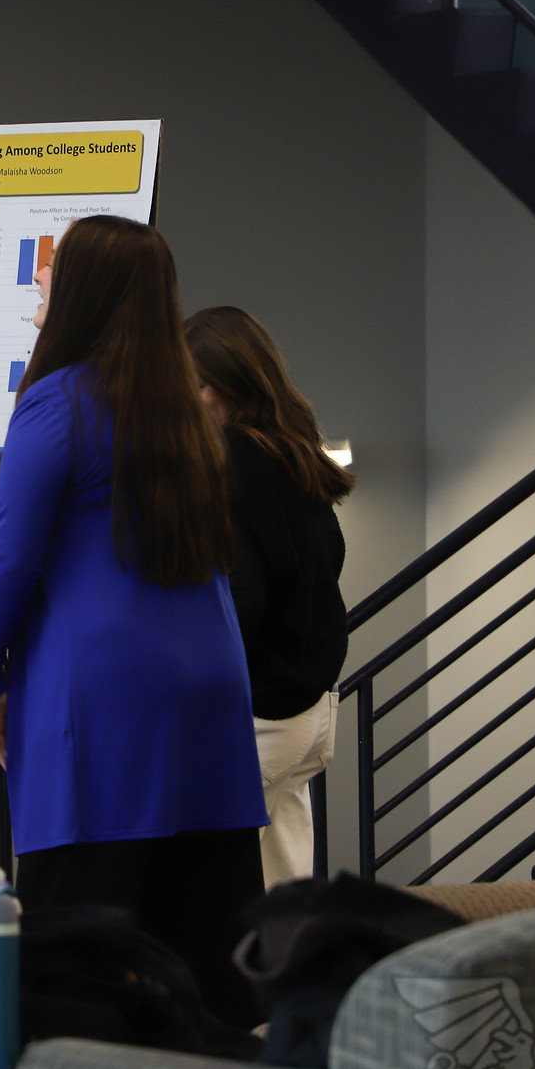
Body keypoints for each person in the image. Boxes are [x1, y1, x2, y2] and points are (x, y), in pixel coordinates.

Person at [0, 216, 269, 1028]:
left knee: (76, 953)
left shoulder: (57, 402)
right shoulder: (186, 412)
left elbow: (13, 561)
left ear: (86, 293)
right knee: (207, 950)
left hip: (102, 699)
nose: (38, 280)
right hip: (208, 688)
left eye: (51, 271)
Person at [186, 306, 350, 888]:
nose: (193, 401)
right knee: (281, 890)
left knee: (201, 889)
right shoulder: (294, 448)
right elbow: (331, 557)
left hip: (259, 713)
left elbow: (240, 597)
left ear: (236, 385)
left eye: (200, 386)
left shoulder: (230, 458)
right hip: (312, 711)